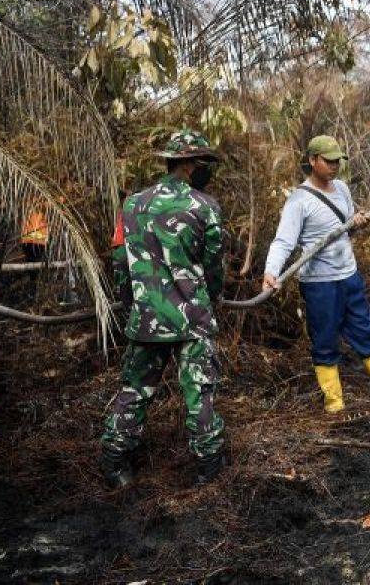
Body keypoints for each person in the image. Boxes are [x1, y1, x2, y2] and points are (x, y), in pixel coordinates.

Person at [100, 130, 227, 488]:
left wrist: (133, 304)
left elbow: (119, 262)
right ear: (186, 164)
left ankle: (114, 461)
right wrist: (210, 299)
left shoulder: (132, 205)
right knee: (199, 392)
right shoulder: (205, 207)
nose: (207, 170)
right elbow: (215, 266)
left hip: (147, 317)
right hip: (193, 318)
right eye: (203, 163)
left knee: (136, 390)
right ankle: (208, 469)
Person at [262, 134, 370, 413]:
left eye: (338, 161)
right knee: (325, 341)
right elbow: (283, 241)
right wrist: (271, 271)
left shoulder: (341, 189)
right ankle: (335, 406)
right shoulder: (299, 201)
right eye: (328, 161)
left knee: (366, 333)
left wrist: (357, 223)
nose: (334, 166)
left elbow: (346, 227)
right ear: (313, 160)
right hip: (319, 285)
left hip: (349, 277)